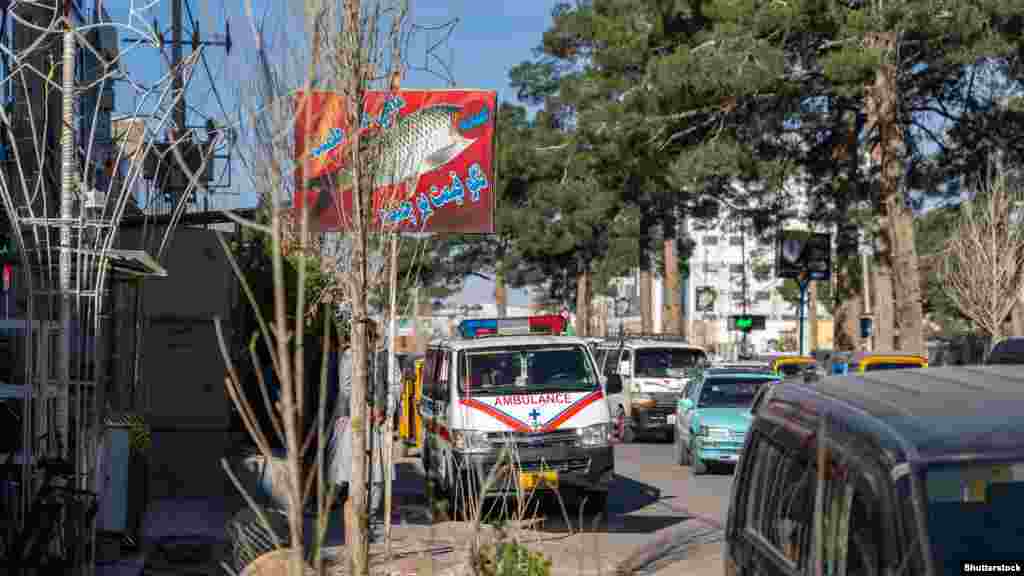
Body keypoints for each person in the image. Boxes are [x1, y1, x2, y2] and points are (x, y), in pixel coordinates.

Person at [327, 320, 399, 541]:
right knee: (353, 473)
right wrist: (361, 408)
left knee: (377, 477)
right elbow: (346, 388)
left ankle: (373, 525)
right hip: (355, 422)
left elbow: (394, 386)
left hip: (377, 426)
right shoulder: (349, 356)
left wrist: (385, 409)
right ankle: (356, 525)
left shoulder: (386, 358)